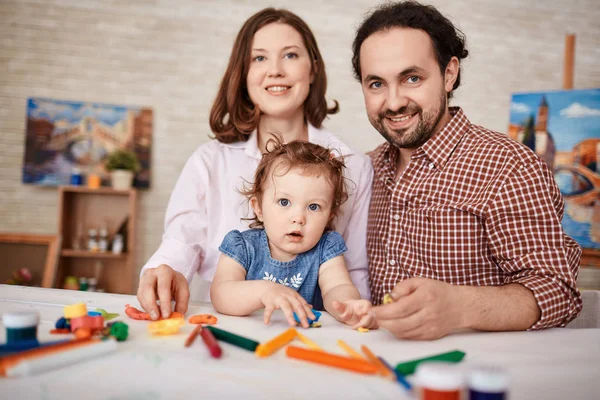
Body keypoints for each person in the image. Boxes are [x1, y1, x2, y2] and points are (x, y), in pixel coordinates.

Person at [351, 1, 582, 339]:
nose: (394, 101)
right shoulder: (364, 168)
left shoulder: (510, 166)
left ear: (449, 73)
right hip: (375, 367)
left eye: (412, 78)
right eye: (376, 84)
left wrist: (459, 307)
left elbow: (558, 290)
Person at [137, 8, 373, 320]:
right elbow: (180, 243)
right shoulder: (209, 161)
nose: (275, 70)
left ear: (313, 69)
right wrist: (162, 271)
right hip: (225, 325)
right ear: (243, 73)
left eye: (290, 55)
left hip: (314, 334)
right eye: (259, 58)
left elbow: (353, 270)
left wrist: (356, 315)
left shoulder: (352, 164)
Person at [210, 140, 376, 329]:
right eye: (284, 202)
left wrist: (347, 305)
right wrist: (265, 291)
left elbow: (336, 287)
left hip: (306, 340)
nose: (298, 218)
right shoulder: (243, 247)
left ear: (329, 216)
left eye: (314, 207)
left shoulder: (326, 249)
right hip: (252, 336)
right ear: (258, 208)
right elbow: (221, 294)